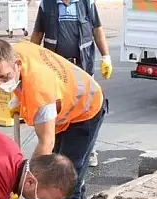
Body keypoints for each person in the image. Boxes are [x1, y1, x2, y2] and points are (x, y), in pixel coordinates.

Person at [0, 39, 105, 199]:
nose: (1, 84)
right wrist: (18, 94)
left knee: (65, 175)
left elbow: (45, 147)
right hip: (64, 107)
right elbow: (19, 81)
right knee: (70, 164)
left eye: (5, 78)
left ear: (17, 65)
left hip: (86, 109)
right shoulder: (11, 53)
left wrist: (23, 183)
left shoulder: (40, 92)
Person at [30, 0, 113, 168]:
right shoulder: (47, 4)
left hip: (82, 68)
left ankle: (89, 150)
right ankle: (57, 150)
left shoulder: (87, 3)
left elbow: (97, 30)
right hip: (56, 71)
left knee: (86, 110)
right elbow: (38, 34)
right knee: (59, 110)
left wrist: (106, 57)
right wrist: (30, 61)